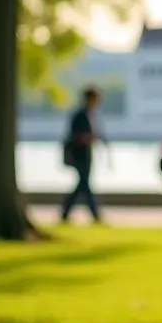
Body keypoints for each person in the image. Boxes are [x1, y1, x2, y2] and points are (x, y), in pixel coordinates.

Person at [60, 86, 104, 223]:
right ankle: (95, 215)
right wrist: (90, 138)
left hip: (86, 154)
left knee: (82, 185)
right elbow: (76, 136)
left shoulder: (89, 115)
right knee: (84, 184)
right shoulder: (81, 115)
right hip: (80, 155)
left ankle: (66, 212)